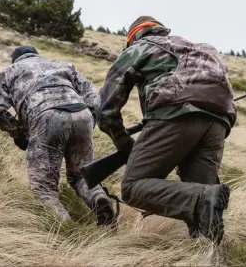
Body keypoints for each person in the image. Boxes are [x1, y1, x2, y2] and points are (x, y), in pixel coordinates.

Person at [94, 16, 237, 244]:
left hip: (174, 114)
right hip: (220, 121)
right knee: (205, 200)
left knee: (133, 187)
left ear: (132, 38)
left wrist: (124, 144)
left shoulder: (139, 47)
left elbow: (104, 111)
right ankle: (208, 254)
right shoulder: (202, 48)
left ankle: (202, 199)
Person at [0, 45, 116, 227]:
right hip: (81, 114)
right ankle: (99, 199)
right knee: (80, 175)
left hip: (46, 116)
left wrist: (18, 132)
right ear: (37, 56)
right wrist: (88, 123)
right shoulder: (63, 65)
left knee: (43, 188)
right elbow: (94, 98)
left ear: (16, 60)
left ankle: (69, 232)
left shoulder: (9, 72)